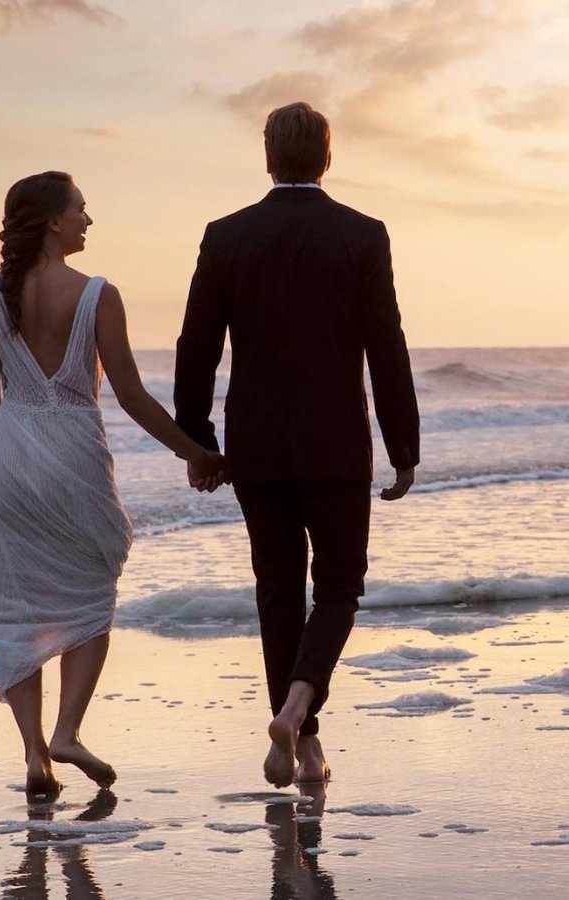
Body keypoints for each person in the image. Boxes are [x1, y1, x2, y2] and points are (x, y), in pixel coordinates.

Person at [174, 101, 420, 788]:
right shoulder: (362, 235)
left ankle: (301, 743)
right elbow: (386, 347)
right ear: (328, 156)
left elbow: (197, 346)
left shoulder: (226, 236)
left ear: (267, 155)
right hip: (336, 440)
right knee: (339, 587)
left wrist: (197, 438)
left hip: (255, 444)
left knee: (278, 591)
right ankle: (302, 705)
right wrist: (403, 445)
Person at [0, 171, 225, 799]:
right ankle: (68, 731)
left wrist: (18, 454)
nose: (88, 220)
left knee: (14, 609)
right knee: (91, 592)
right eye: (81, 210)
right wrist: (200, 453)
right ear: (55, 221)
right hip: (76, 456)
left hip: (7, 460)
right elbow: (132, 396)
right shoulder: (97, 294)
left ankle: (34, 756)